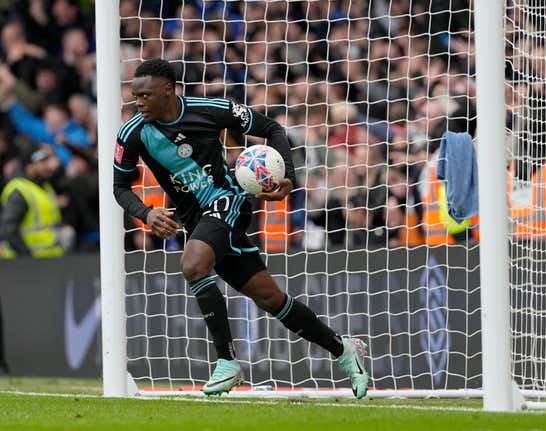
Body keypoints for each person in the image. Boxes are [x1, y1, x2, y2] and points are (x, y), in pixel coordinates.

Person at [112, 59, 370, 398]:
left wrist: (289, 176)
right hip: (198, 221)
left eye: (145, 95)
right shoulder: (131, 134)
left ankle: (228, 362)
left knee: (192, 264)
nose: (138, 103)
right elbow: (119, 187)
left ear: (168, 90)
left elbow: (273, 129)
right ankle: (343, 348)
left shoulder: (211, 110)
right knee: (271, 298)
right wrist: (146, 213)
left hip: (227, 200)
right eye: (135, 97)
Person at [0, 144, 65, 258]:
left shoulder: (45, 186)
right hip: (27, 264)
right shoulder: (19, 191)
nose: (49, 166)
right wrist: (27, 256)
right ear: (30, 166)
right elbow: (9, 229)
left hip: (49, 258)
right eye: (43, 162)